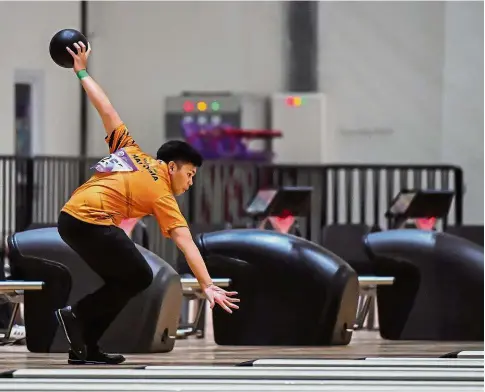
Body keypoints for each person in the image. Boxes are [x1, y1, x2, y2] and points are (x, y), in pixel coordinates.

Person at [55, 41, 240, 365]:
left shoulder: (130, 150)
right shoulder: (162, 194)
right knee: (139, 275)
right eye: (190, 174)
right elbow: (186, 242)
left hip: (70, 220)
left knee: (124, 279)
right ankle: (76, 315)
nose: (191, 181)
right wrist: (207, 285)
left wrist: (81, 71)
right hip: (90, 221)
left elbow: (106, 109)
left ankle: (86, 345)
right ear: (172, 167)